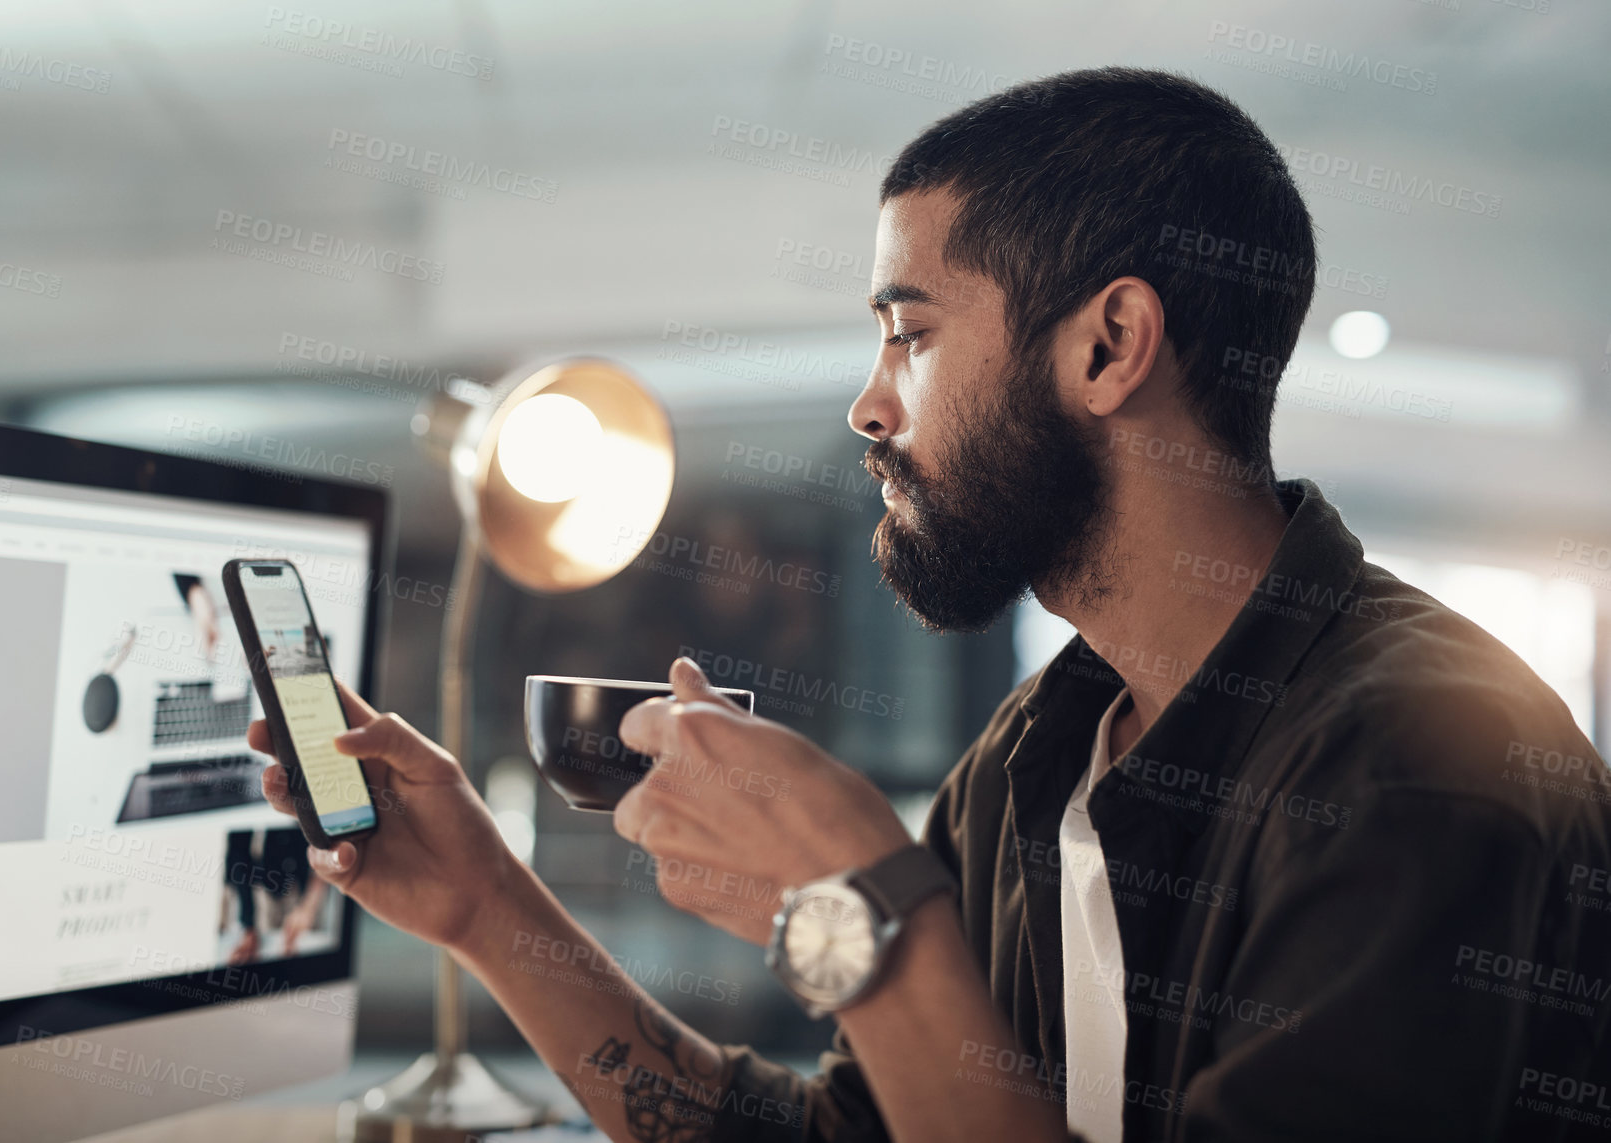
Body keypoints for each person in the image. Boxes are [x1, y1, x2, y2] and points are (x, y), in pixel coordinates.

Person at [250, 67, 1611, 1142]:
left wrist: (874, 907)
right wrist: (488, 904)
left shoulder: (1426, 758)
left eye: (911, 333)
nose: (868, 401)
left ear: (1107, 344)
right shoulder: (1036, 753)